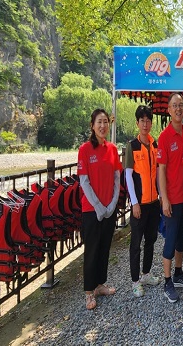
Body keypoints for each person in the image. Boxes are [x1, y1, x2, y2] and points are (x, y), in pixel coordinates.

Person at [77, 108, 122, 310]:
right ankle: (89, 291)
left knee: (104, 248)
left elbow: (116, 178)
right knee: (92, 250)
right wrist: (98, 206)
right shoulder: (85, 149)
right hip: (91, 210)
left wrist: (112, 204)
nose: (103, 126)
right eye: (99, 122)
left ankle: (100, 284)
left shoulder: (112, 149)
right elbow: (84, 181)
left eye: (105, 122)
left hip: (109, 209)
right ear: (92, 126)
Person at [124, 105, 161, 298]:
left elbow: (158, 174)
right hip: (140, 203)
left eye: (148, 121)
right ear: (137, 123)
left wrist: (161, 196)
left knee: (151, 240)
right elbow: (128, 176)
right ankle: (135, 281)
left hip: (153, 202)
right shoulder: (132, 146)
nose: (145, 124)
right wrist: (134, 202)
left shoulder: (155, 145)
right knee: (136, 243)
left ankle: (146, 274)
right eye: (142, 121)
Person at [157, 93, 183, 303]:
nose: (178, 109)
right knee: (170, 241)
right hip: (172, 198)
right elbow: (161, 170)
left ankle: (178, 272)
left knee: (181, 239)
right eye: (175, 106)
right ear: (168, 110)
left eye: (181, 105)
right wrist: (164, 198)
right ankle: (167, 281)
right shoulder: (164, 137)